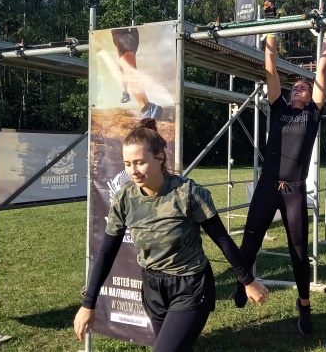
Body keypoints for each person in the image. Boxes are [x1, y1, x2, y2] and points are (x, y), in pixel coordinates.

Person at [74, 118, 269, 351]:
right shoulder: (125, 198)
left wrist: (248, 281)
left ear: (159, 158)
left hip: (191, 286)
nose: (133, 171)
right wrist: (89, 303)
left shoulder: (187, 193)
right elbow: (107, 251)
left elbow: (222, 239)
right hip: (153, 289)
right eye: (127, 164)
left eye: (139, 162)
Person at [233, 30, 326, 335]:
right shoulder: (278, 109)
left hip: (293, 191)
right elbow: (270, 69)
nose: (299, 89)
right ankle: (243, 281)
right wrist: (271, 40)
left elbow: (322, 72)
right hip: (267, 185)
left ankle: (304, 306)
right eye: (296, 87)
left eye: (304, 87)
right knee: (250, 241)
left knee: (299, 252)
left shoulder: (314, 114)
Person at [112, 28, 163, 120]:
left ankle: (146, 107)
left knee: (129, 70)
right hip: (125, 33)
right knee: (123, 67)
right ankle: (126, 94)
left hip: (123, 32)